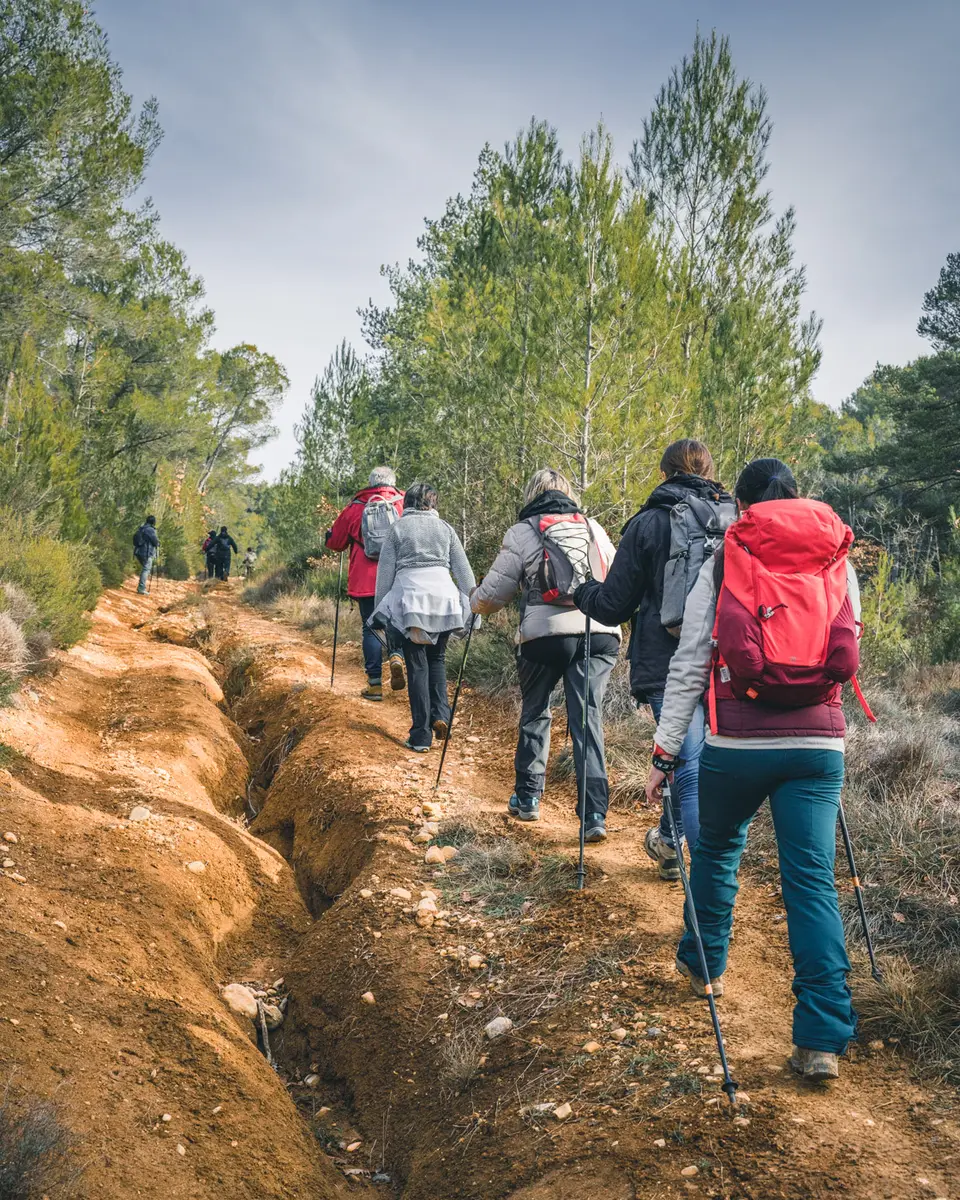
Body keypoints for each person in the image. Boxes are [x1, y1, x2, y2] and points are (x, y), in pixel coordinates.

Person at [645, 458, 863, 1082]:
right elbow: (848, 650)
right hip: (818, 747)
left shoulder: (726, 560)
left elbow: (689, 665)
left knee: (715, 852)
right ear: (799, 499)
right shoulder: (835, 560)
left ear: (741, 508)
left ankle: (703, 963)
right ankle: (821, 1039)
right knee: (812, 882)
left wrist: (664, 754)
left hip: (737, 744)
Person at [575, 440, 734, 879]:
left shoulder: (649, 522)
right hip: (732, 660)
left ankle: (700, 871)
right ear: (709, 472)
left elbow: (612, 606)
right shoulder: (735, 518)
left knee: (689, 761)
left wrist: (582, 591)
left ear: (664, 475)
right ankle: (670, 843)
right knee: (701, 763)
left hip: (669, 660)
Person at [471, 468, 621, 841]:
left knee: (536, 709)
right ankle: (594, 815)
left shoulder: (523, 531)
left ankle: (528, 798)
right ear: (568, 494)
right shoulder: (594, 527)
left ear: (531, 494)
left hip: (544, 636)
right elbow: (619, 579)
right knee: (587, 716)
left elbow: (491, 596)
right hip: (598, 632)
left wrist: (473, 603)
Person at [373, 482, 476, 752]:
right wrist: (474, 607)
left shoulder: (398, 529)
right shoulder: (446, 529)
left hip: (412, 602)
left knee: (417, 666)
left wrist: (378, 612)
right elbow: (464, 573)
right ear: (433, 504)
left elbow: (384, 576)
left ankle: (421, 735)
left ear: (406, 503)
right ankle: (441, 715)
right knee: (437, 660)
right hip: (445, 601)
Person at [326, 467, 406, 701]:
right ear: (392, 482)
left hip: (366, 579)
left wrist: (329, 537)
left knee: (371, 627)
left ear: (370, 483)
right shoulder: (402, 503)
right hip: (396, 576)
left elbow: (336, 543)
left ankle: (374, 685)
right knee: (396, 622)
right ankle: (396, 655)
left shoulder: (356, 506)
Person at [133, 515, 160, 594]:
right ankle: (141, 589)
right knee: (146, 569)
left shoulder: (142, 528)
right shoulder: (150, 530)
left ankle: (141, 587)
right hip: (146, 553)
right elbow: (155, 541)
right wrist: (158, 543)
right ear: (153, 522)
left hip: (138, 551)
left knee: (145, 569)